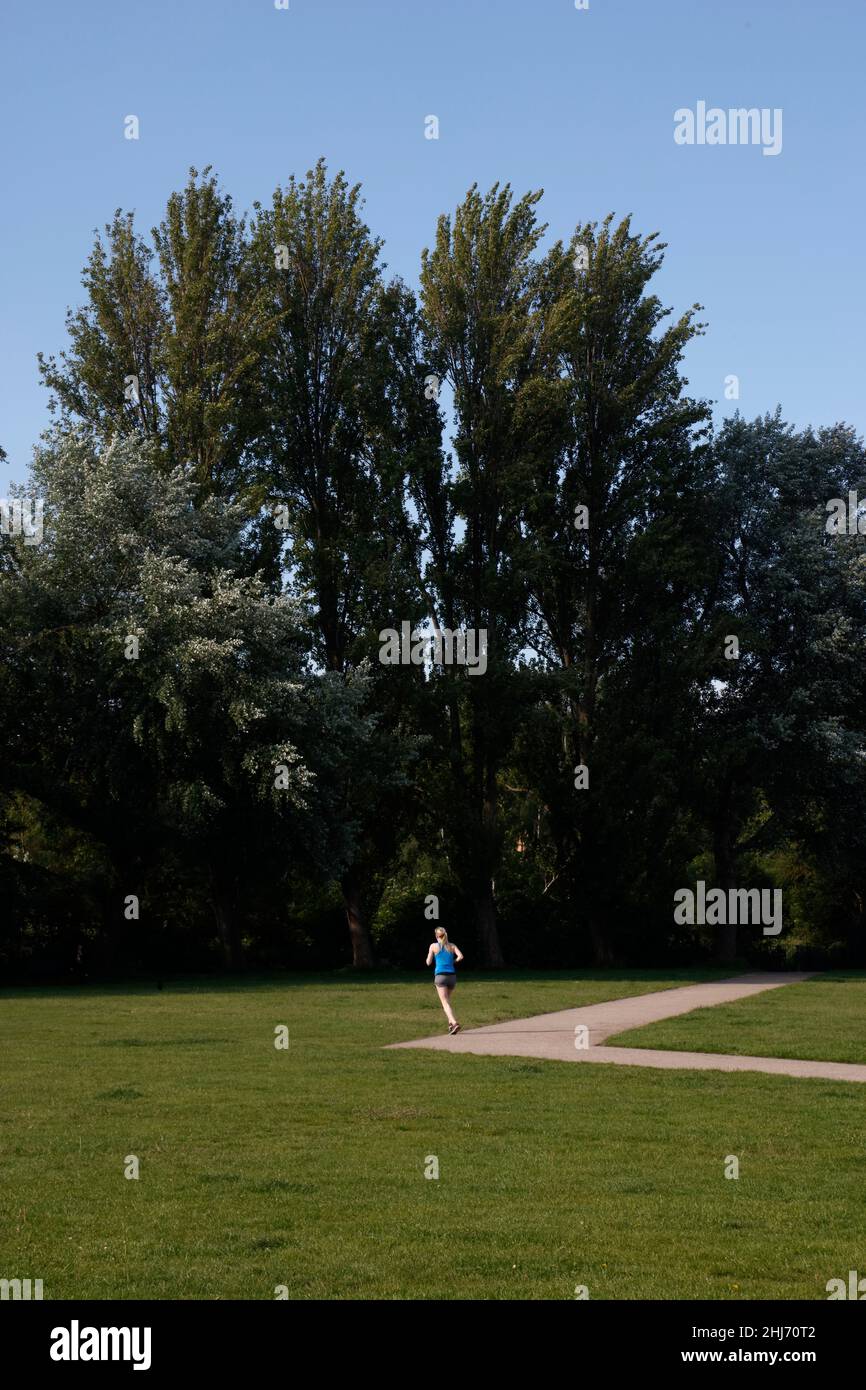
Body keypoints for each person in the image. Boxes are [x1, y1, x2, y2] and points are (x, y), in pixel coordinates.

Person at [426, 926, 464, 1033]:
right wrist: (453, 962)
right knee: (447, 1001)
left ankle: (454, 1022)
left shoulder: (433, 946)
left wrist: (431, 956)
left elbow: (428, 963)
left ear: (436, 936)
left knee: (444, 1003)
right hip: (452, 976)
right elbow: (460, 956)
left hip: (440, 976)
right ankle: (451, 1025)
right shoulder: (451, 945)